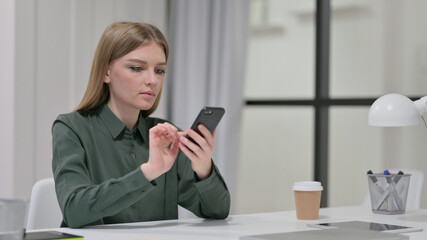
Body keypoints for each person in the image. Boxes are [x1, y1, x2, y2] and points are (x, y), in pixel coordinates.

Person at [51, 22, 230, 228]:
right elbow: (75, 211)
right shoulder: (71, 128)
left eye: (160, 70)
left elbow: (218, 211)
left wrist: (204, 169)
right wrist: (148, 172)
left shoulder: (167, 134)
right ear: (106, 72)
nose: (152, 80)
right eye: (137, 68)